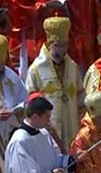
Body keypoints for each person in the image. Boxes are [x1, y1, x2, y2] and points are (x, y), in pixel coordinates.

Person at [23, 16, 84, 149]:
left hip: (72, 128)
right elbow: (30, 100)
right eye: (57, 45)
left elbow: (80, 96)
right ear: (49, 44)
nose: (61, 49)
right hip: (48, 130)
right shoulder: (36, 69)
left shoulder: (73, 67)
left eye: (64, 45)